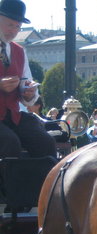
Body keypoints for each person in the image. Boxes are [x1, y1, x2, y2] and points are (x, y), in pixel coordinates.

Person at [0, 0, 55, 158]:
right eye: (10, 25)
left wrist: (29, 94)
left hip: (12, 116)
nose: (14, 31)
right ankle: (9, 183)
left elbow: (27, 86)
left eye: (18, 27)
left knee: (45, 142)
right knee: (10, 143)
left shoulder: (19, 51)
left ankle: (45, 182)